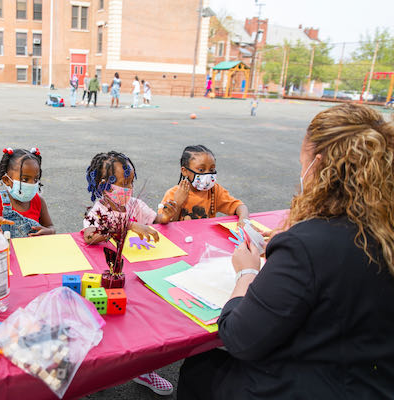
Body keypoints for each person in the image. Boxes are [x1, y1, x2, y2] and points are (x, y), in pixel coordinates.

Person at [177, 103, 394, 399]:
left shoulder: (307, 243)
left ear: (316, 166)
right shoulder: (382, 228)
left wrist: (247, 272)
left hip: (312, 385)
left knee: (201, 367)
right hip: (375, 381)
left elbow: (241, 338)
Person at [82, 151, 177, 396]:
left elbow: (158, 219)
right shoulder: (99, 210)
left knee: (142, 321)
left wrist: (169, 209)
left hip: (139, 273)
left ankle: (143, 368)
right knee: (111, 325)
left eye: (131, 182)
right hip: (111, 275)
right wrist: (130, 224)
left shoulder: (135, 204)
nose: (129, 187)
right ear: (104, 185)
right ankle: (99, 371)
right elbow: (91, 236)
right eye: (124, 183)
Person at [0, 147, 55, 238]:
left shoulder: (39, 201)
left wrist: (49, 231)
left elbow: (50, 226)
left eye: (36, 179)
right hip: (6, 250)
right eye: (25, 179)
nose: (32, 184)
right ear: (6, 180)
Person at [158, 145, 249, 224]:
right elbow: (165, 224)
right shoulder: (173, 193)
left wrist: (244, 220)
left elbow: (239, 206)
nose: (208, 174)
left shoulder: (214, 190)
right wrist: (178, 203)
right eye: (201, 170)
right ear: (185, 171)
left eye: (212, 170)